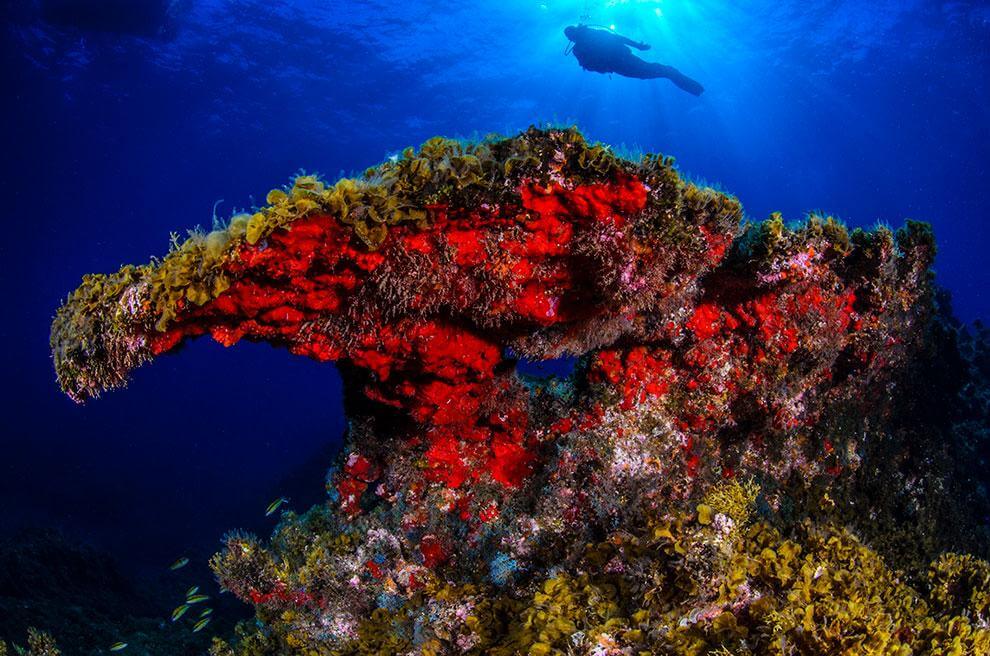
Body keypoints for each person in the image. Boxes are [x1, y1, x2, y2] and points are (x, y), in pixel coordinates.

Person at [563, 24, 704, 96]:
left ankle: (695, 89)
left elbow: (589, 66)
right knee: (657, 71)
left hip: (620, 64)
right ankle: (695, 89)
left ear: (571, 37)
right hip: (622, 60)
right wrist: (637, 46)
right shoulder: (588, 39)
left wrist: (637, 46)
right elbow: (617, 38)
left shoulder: (580, 47)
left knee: (658, 71)